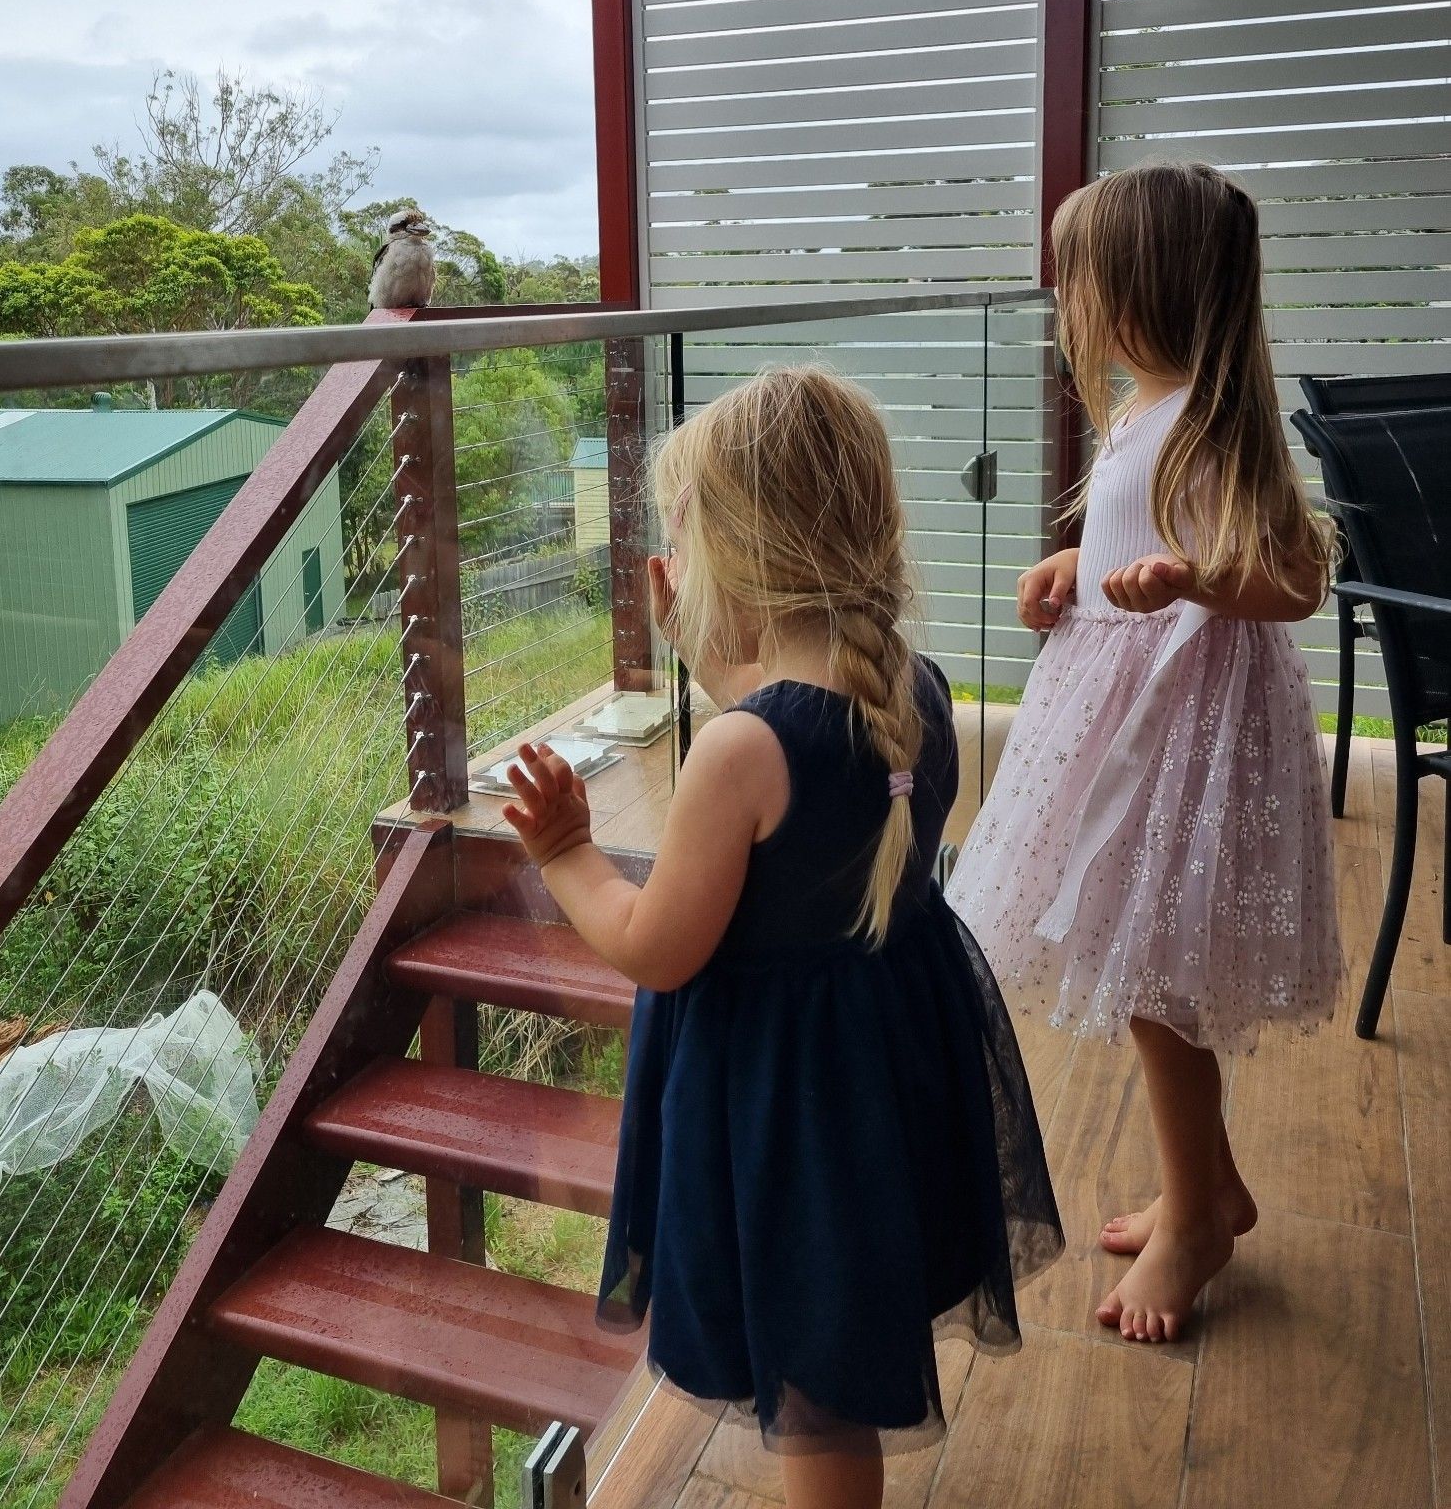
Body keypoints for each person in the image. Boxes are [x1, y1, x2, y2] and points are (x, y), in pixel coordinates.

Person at [503, 366, 1062, 1509]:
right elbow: (814, 798)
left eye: (679, 538)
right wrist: (718, 653)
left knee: (813, 1384)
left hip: (786, 1111)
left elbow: (659, 946)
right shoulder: (919, 691)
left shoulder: (738, 753)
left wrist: (567, 850)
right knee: (848, 1334)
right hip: (887, 1072)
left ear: (730, 561)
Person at [949, 160, 1342, 1345]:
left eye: (1085, 281)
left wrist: (1201, 581)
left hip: (1186, 733)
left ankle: (1197, 1224)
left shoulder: (1215, 422)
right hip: (1119, 720)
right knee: (1137, 958)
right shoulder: (1135, 411)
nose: (1070, 304)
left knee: (1160, 981)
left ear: (1146, 293)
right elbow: (1125, 522)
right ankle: (1205, 1185)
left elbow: (1298, 579)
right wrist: (1073, 564)